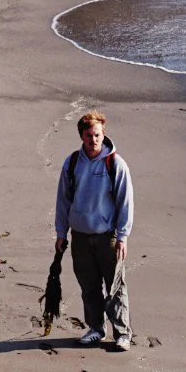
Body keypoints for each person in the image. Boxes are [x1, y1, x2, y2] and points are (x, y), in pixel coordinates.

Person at [54, 110, 134, 349]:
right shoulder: (72, 163)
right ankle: (96, 329)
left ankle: (122, 333)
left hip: (107, 237)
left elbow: (125, 201)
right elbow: (63, 200)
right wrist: (61, 232)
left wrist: (123, 236)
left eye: (97, 135)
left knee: (115, 287)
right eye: (89, 135)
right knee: (89, 287)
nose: (94, 139)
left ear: (103, 134)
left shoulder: (115, 164)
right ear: (82, 136)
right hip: (79, 237)